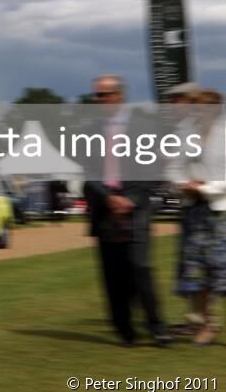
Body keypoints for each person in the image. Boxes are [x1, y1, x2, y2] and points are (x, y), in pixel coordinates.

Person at [81, 74, 170, 348]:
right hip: (104, 210)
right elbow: (88, 174)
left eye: (104, 95)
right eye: (97, 95)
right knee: (113, 273)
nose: (99, 100)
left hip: (136, 210)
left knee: (140, 267)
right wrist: (109, 198)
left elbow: (154, 170)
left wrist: (129, 199)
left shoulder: (144, 128)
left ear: (119, 96)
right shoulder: (89, 130)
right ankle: (124, 329)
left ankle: (157, 327)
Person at [174, 88, 226, 346]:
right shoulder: (187, 135)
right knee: (199, 273)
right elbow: (173, 167)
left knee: (221, 270)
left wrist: (204, 187)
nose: (197, 112)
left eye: (202, 107)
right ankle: (207, 323)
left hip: (221, 211)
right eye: (195, 107)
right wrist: (184, 184)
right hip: (194, 211)